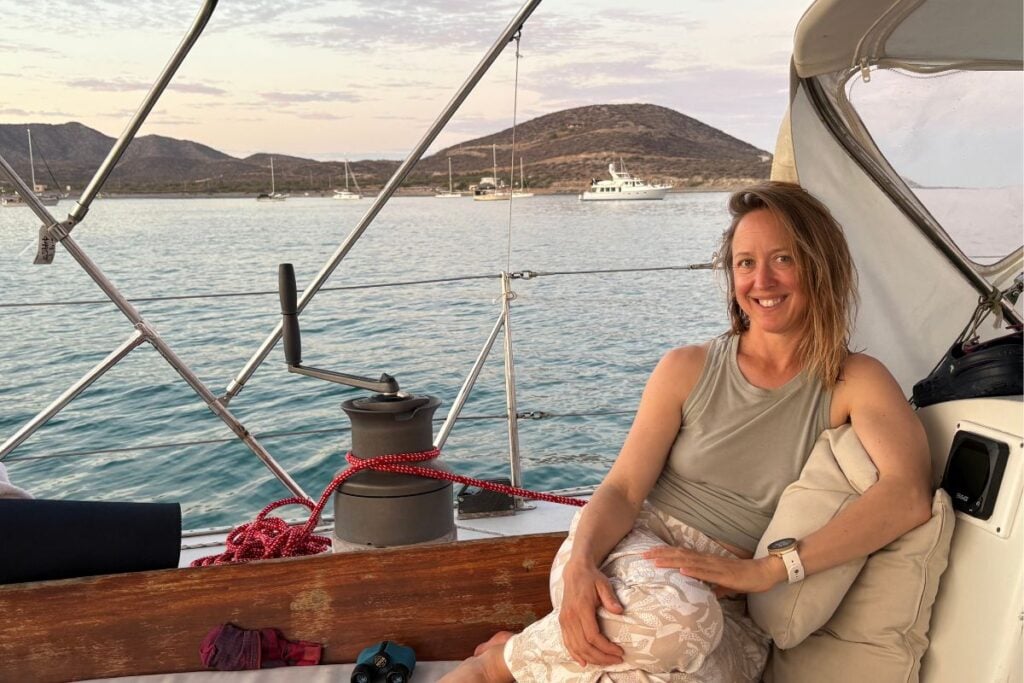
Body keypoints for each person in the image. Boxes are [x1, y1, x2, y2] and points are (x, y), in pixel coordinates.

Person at [440, 181, 933, 682]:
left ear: (819, 265)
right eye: (744, 263)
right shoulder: (688, 367)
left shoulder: (853, 379)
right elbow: (623, 489)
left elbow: (908, 494)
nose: (760, 280)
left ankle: (522, 650)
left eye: (782, 259)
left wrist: (768, 571)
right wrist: (581, 565)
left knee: (679, 661)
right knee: (679, 620)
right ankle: (495, 667)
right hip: (633, 549)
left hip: (732, 602)